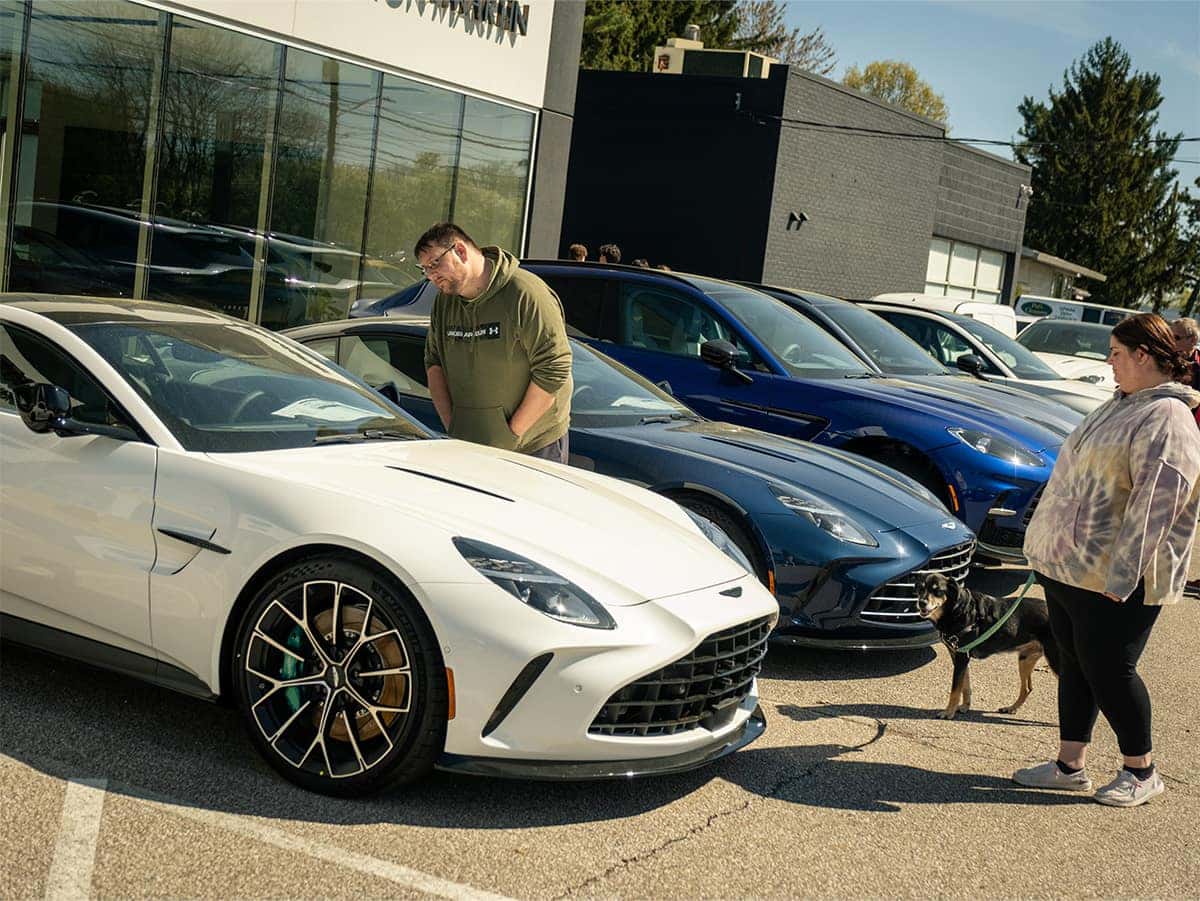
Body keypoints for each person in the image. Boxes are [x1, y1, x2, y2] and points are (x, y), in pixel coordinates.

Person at [1016, 313, 1200, 807]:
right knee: (1074, 663)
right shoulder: (1119, 404)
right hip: (1071, 566)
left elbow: (1155, 507)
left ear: (1144, 355)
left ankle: (1142, 771)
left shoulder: (1168, 418)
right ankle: (1068, 765)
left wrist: (1122, 577)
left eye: (1116, 352)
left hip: (1117, 575)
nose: (1109, 361)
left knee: (1110, 669)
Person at [418, 222, 572, 463]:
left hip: (533, 447)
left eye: (435, 263)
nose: (430, 275)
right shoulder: (444, 303)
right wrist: (453, 427)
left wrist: (511, 434)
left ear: (460, 251)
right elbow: (434, 362)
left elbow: (554, 368)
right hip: (469, 448)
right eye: (424, 269)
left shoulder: (525, 293)